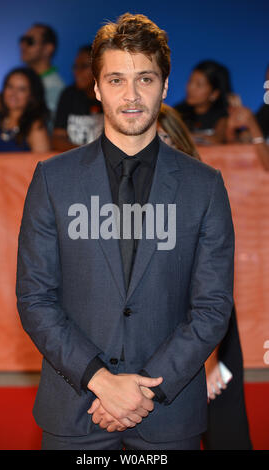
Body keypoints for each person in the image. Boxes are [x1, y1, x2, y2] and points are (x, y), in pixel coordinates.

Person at [16, 13, 235, 450]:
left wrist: (142, 392)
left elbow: (211, 308)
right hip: (75, 413)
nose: (132, 96)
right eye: (116, 80)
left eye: (145, 79)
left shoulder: (205, 186)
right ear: (96, 88)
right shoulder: (51, 180)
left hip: (168, 419)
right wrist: (100, 380)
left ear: (165, 86)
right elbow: (35, 298)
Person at [157, 103, 252, 450]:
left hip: (210, 326)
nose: (155, 147)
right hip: (158, 328)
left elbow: (211, 288)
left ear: (180, 142)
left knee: (224, 429)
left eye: (163, 137)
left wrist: (212, 359)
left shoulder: (203, 192)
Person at [0, 24, 65, 129]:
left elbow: (43, 127)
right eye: (22, 40)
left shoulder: (55, 88)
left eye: (30, 41)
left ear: (48, 48)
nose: (22, 45)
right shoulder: (32, 78)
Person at [52, 45, 103, 151]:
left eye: (83, 66)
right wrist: (85, 153)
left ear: (99, 68)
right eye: (75, 66)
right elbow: (57, 140)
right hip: (75, 161)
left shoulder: (110, 96)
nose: (77, 72)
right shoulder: (69, 95)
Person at [0, 67, 50, 153]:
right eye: (10, 86)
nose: (13, 94)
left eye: (21, 89)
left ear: (31, 95)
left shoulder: (35, 126)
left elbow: (44, 165)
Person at [175, 60, 230, 145]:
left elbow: (218, 140)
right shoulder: (177, 112)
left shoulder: (223, 115)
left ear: (214, 94)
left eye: (199, 85)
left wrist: (185, 137)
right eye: (190, 81)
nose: (190, 88)